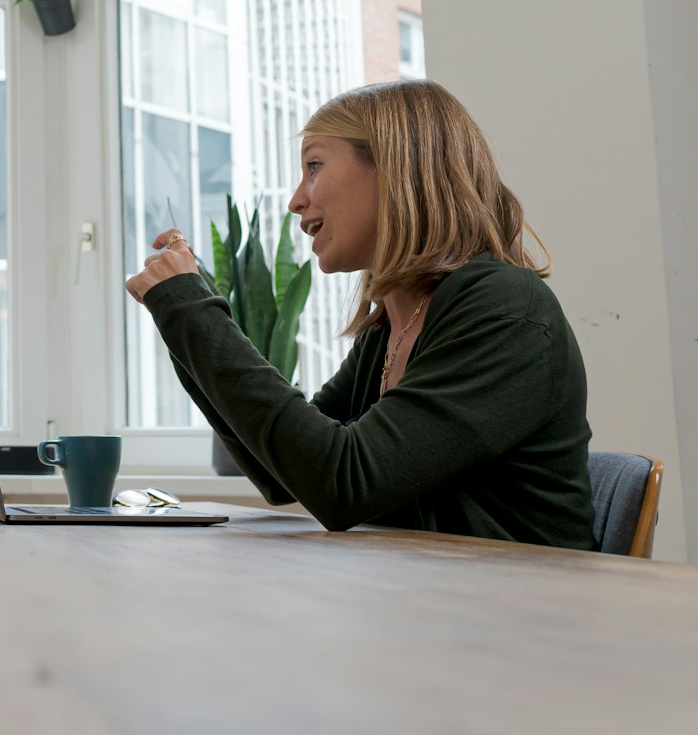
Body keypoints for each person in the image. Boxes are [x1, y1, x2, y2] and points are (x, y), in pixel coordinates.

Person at [124, 79, 596, 548]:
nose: (296, 201)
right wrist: (180, 319)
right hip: (432, 604)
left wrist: (194, 315)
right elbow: (283, 473)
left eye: (314, 166)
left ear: (395, 168)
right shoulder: (395, 323)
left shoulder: (506, 311)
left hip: (526, 613)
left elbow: (343, 483)